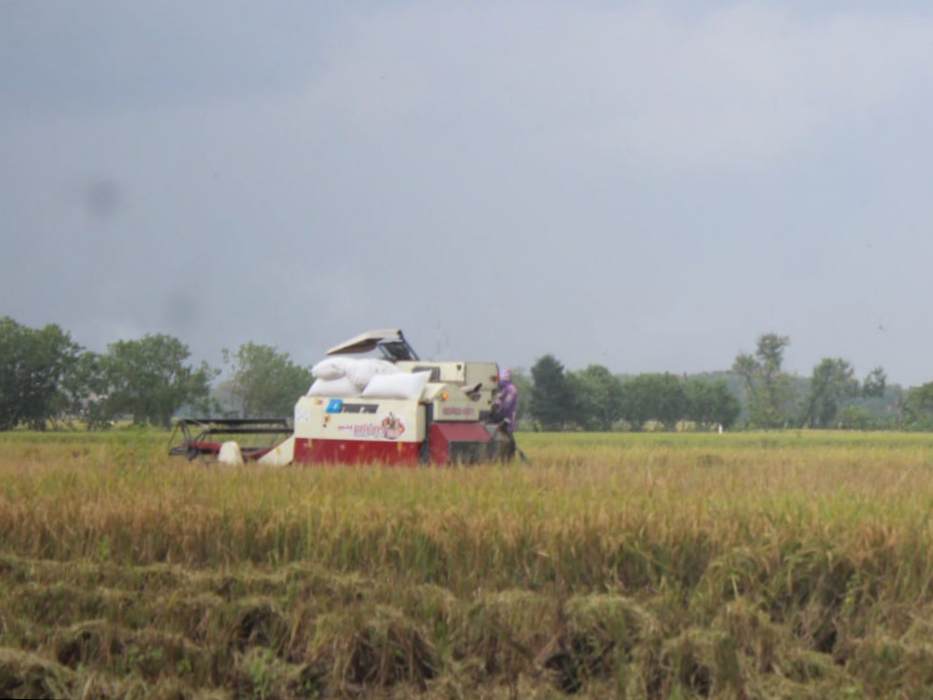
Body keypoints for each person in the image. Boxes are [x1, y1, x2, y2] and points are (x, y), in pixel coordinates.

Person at [492, 368, 519, 434]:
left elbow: (506, 405)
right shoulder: (506, 388)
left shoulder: (510, 389)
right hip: (507, 417)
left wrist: (497, 410)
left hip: (506, 418)